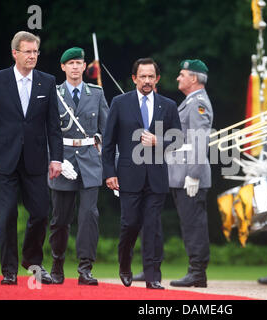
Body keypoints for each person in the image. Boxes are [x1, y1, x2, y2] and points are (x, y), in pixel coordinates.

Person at [0, 31, 63, 285]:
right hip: (4, 161)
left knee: (40, 214)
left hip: (36, 161)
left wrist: (56, 158)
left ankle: (32, 261)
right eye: (28, 51)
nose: (33, 56)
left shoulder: (46, 82)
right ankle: (9, 271)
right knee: (6, 217)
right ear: (15, 53)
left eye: (36, 51)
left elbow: (53, 126)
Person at [102, 58, 182, 289]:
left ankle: (153, 276)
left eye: (151, 77)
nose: (146, 81)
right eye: (142, 76)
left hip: (156, 176)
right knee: (130, 224)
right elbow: (108, 143)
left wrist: (159, 141)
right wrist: (109, 173)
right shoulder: (119, 102)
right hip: (127, 175)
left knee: (153, 226)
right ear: (134, 78)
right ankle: (125, 264)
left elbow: (178, 140)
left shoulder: (168, 105)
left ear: (157, 79)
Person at [48, 47, 109, 285]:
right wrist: (55, 160)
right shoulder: (54, 94)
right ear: (63, 67)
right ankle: (57, 264)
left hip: (90, 161)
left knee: (89, 216)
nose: (75, 67)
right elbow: (45, 132)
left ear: (85, 67)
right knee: (60, 218)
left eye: (78, 63)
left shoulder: (96, 93)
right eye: (70, 63)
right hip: (61, 158)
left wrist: (111, 166)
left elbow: (108, 131)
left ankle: (85, 268)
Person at [167, 59, 213, 287]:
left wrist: (194, 173)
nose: (178, 77)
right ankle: (195, 272)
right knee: (189, 223)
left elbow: (199, 139)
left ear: (193, 78)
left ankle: (197, 272)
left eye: (182, 74)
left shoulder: (197, 103)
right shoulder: (191, 102)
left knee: (194, 224)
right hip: (181, 172)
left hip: (189, 174)